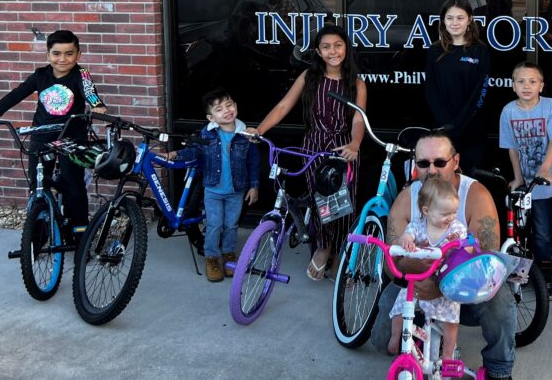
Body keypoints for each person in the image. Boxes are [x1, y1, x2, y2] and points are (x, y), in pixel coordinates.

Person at [371, 130, 516, 380]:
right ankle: (419, 343)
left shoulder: (476, 195)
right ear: (414, 165)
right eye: (423, 163)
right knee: (384, 340)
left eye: (439, 162)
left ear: (456, 162)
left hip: (465, 289)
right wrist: (420, 279)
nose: (432, 170)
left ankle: (499, 371)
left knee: (500, 302)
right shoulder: (408, 198)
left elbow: (487, 266)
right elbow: (390, 262)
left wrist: (439, 285)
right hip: (414, 285)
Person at [252, 23, 366, 281]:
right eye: (326, 47)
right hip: (314, 146)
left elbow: (358, 120)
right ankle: (324, 248)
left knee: (343, 204)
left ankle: (340, 252)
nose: (333, 51)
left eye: (338, 45)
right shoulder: (309, 77)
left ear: (346, 48)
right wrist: (259, 130)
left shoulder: (356, 83)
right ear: (318, 51)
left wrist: (354, 144)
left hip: (343, 148)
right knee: (321, 202)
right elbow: (283, 107)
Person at [0, 29, 107, 239]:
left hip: (71, 136)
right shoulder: (40, 75)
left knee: (73, 184)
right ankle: (39, 232)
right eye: (56, 53)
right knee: (38, 183)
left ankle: (80, 233)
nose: (62, 59)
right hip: (41, 135)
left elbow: (89, 92)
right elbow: (15, 95)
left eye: (69, 53)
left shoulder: (80, 75)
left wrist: (97, 105)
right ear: (48, 55)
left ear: (78, 55)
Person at [169, 88, 260, 282]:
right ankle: (211, 258)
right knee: (214, 225)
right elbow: (194, 152)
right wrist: (175, 154)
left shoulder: (245, 135)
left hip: (236, 190)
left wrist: (254, 186)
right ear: (211, 117)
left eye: (229, 105)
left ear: (235, 106)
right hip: (213, 190)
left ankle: (228, 256)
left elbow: (253, 161)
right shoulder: (208, 134)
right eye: (219, 109)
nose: (227, 110)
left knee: (231, 225)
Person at [499, 61, 552, 299]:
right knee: (541, 233)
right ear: (513, 86)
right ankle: (545, 278)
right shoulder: (509, 112)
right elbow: (512, 148)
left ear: (541, 86)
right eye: (521, 81)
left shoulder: (551, 106)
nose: (527, 86)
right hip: (532, 185)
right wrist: (518, 177)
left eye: (532, 81)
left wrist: (546, 169)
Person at [387, 177, 467, 359]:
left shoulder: (456, 229)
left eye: (454, 212)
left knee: (452, 319)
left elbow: (465, 245)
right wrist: (405, 241)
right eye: (446, 214)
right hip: (420, 278)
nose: (451, 217)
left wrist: (459, 244)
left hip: (443, 282)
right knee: (401, 305)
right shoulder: (417, 225)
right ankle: (395, 336)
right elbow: (405, 237)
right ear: (426, 211)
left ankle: (448, 355)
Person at [425, 0, 491, 173]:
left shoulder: (480, 50)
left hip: (472, 131)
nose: (455, 23)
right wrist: (446, 124)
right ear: (443, 21)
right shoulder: (434, 51)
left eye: (460, 18)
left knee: (470, 185)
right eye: (450, 18)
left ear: (469, 19)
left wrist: (458, 123)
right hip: (443, 131)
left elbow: (480, 92)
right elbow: (430, 90)